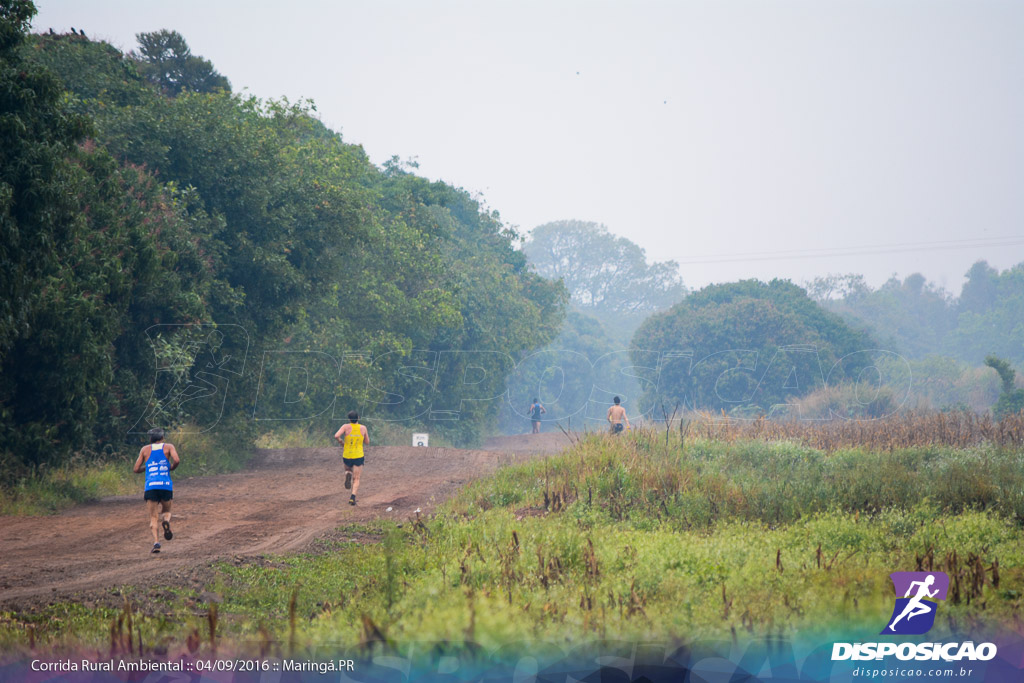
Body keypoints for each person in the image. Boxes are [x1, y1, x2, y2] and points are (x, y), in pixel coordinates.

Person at [132, 428, 179, 554]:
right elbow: (177, 460)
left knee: (153, 517)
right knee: (167, 511)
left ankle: (156, 542)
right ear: (162, 438)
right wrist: (171, 468)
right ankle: (166, 522)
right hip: (165, 485)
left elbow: (136, 469)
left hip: (151, 486)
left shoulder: (145, 449)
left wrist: (147, 468)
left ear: (150, 439)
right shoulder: (168, 447)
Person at [334, 410, 369, 506]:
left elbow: (336, 435)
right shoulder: (363, 428)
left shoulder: (345, 426)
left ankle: (347, 473)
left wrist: (341, 442)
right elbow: (367, 442)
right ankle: (352, 498)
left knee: (348, 469)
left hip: (347, 454)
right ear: (358, 418)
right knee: (356, 478)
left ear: (349, 419)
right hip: (358, 455)